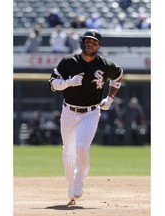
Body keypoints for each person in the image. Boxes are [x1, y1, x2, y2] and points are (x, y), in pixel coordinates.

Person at [48, 29, 123, 206]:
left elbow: (118, 75)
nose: (90, 44)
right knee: (68, 151)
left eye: (94, 42)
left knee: (81, 147)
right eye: (88, 41)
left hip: (90, 112)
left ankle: (79, 179)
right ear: (82, 43)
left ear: (99, 45)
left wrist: (110, 98)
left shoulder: (105, 64)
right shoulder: (69, 61)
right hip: (69, 111)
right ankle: (70, 186)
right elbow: (52, 84)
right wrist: (68, 82)